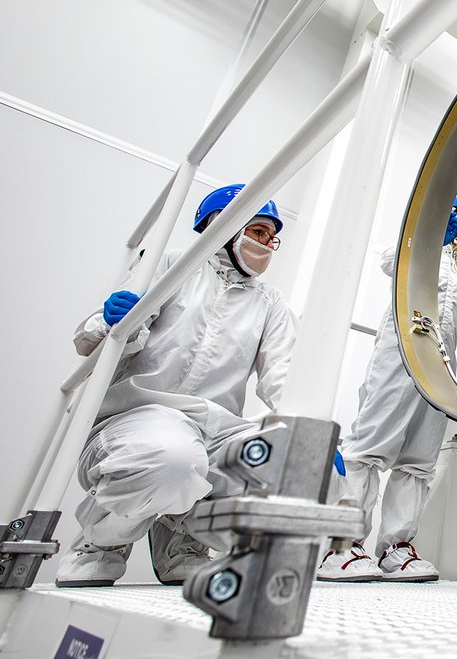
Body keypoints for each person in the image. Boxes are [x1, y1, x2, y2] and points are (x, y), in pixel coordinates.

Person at [56, 184, 296, 587]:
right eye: (258, 232)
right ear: (223, 223)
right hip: (138, 415)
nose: (268, 245)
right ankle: (101, 542)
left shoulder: (271, 303)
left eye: (273, 238)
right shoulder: (170, 265)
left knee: (298, 469)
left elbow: (283, 375)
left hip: (216, 429)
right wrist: (114, 321)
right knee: (173, 462)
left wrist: (313, 436)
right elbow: (91, 341)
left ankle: (184, 538)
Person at [317, 194, 457, 582]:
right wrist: (431, 237)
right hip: (400, 352)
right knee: (371, 446)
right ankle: (340, 546)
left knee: (420, 459)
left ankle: (396, 548)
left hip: (443, 364)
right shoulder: (418, 245)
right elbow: (389, 261)